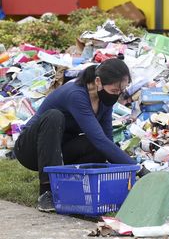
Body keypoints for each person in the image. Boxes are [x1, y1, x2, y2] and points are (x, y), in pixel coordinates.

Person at [14, 58, 136, 212]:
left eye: (120, 91)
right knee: (54, 116)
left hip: (60, 150)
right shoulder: (75, 94)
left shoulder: (104, 100)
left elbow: (106, 140)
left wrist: (124, 173)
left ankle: (75, 190)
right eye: (114, 91)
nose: (117, 95)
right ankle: (47, 192)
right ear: (98, 81)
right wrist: (136, 168)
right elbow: (99, 139)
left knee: (97, 146)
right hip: (30, 149)